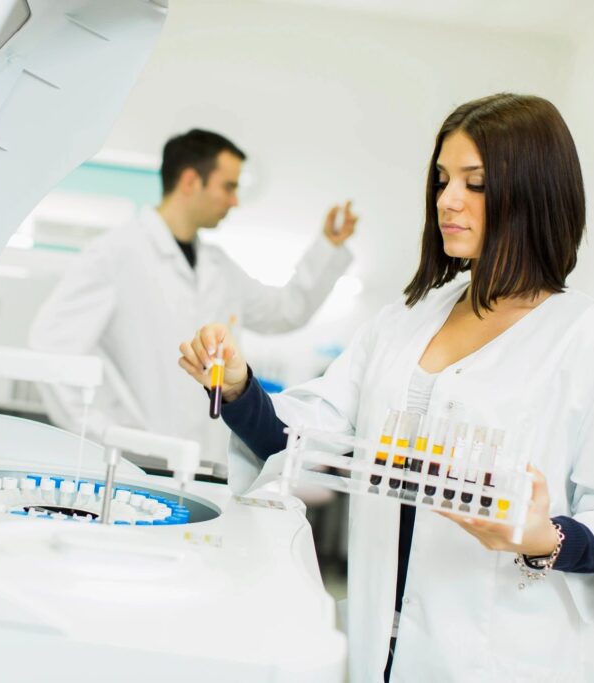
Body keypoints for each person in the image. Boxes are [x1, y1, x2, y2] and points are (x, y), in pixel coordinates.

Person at [178, 94, 594, 681]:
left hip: (508, 657)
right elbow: (310, 436)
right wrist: (238, 387)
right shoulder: (405, 321)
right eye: (441, 179)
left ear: (534, 192)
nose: (447, 200)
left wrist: (545, 538)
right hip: (380, 645)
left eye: (475, 182)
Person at [29, 129, 358, 475]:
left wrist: (328, 248)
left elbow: (285, 311)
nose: (235, 201)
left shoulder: (219, 267)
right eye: (229, 187)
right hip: (135, 463)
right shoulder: (116, 254)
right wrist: (105, 431)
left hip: (206, 463)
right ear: (190, 181)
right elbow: (51, 345)